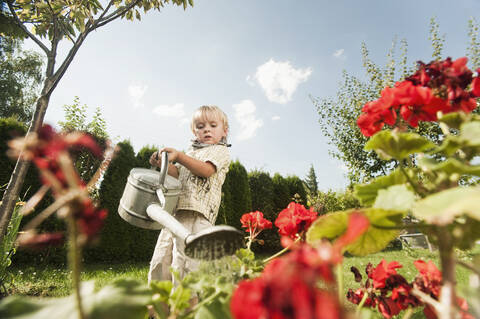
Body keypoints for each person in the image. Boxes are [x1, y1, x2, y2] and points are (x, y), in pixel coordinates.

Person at [148, 105, 231, 285]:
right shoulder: (191, 153)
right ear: (194, 131)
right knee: (161, 260)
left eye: (212, 125)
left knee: (185, 264)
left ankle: (185, 307)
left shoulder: (220, 151)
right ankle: (158, 307)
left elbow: (206, 170)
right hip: (175, 214)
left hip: (198, 216)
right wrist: (162, 163)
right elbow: (177, 174)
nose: (206, 129)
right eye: (200, 126)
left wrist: (179, 156)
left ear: (224, 131)